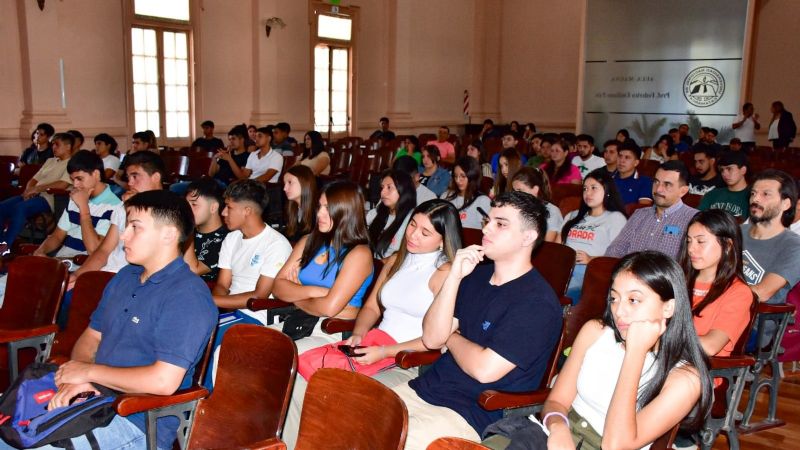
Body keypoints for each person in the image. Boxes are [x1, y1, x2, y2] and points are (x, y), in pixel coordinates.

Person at [0, 191, 218, 450]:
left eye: (135, 228)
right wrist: (78, 379)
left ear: (168, 235)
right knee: (10, 427)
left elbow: (163, 381)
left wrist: (89, 373)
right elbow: (92, 337)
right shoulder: (125, 277)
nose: (123, 236)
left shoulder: (188, 295)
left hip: (135, 419)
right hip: (92, 399)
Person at [281, 200, 463, 448]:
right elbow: (371, 307)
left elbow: (437, 338)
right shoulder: (396, 260)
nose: (413, 235)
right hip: (373, 344)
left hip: (407, 358)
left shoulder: (446, 274)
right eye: (412, 225)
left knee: (338, 394)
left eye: (425, 232)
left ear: (443, 240)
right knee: (299, 380)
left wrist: (384, 352)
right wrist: (358, 334)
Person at [393, 191, 562, 450]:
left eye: (501, 224)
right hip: (423, 389)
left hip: (470, 413)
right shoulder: (475, 277)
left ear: (528, 237)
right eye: (488, 221)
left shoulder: (537, 303)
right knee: (352, 420)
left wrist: (452, 337)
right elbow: (431, 338)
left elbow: (484, 370)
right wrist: (454, 278)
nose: (487, 229)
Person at [534, 251, 712, 450]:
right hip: (561, 433)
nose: (619, 311)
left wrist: (635, 353)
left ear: (668, 308)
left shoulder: (685, 379)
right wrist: (558, 428)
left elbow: (616, 445)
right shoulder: (596, 332)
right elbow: (557, 401)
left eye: (633, 300)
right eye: (614, 298)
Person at [270, 182, 373, 353]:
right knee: (236, 346)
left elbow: (329, 308)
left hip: (330, 330)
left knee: (272, 354)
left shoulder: (359, 254)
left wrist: (296, 294)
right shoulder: (308, 241)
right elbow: (278, 287)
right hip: (297, 321)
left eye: (328, 208)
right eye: (319, 207)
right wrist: (316, 292)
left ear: (346, 212)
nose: (320, 214)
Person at [211, 179, 292, 326]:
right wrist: (213, 308)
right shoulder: (232, 238)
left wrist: (210, 300)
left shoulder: (276, 244)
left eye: (229, 207)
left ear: (247, 211)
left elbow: (259, 296)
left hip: (257, 317)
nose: (223, 213)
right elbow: (222, 284)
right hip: (230, 311)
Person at [680, 210, 753, 357]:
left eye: (700, 241)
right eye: (689, 241)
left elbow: (710, 346)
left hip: (700, 371)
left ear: (727, 245)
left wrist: (659, 338)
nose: (691, 249)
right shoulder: (678, 279)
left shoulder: (739, 293)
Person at [33, 150, 123, 259]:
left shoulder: (114, 207)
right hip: (63, 261)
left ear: (96, 174)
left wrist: (84, 208)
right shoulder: (76, 197)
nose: (75, 184)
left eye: (79, 179)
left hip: (84, 266)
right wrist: (40, 251)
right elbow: (57, 236)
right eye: (72, 179)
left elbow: (94, 249)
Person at [560, 169, 628, 303]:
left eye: (593, 188)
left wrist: (591, 259)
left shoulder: (615, 218)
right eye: (585, 189)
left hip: (590, 270)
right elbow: (558, 246)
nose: (588, 193)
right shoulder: (573, 215)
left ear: (607, 191)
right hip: (563, 267)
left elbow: (619, 255)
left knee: (567, 290)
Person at [606, 161, 698, 259]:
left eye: (667, 184)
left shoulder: (693, 219)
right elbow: (616, 249)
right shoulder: (639, 214)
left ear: (683, 191)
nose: (658, 189)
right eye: (656, 182)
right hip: (628, 271)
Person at [0, 132, 74, 253]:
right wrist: (28, 190)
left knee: (20, 208)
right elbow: (34, 179)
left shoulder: (72, 163)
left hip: (50, 197)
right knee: (2, 207)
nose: (53, 147)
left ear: (68, 146)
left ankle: (6, 246)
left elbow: (62, 184)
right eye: (53, 145)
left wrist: (37, 189)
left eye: (57, 144)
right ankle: (1, 241)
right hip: (34, 194)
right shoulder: (50, 161)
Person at [741, 169, 800, 304]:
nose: (755, 199)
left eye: (766, 194)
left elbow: (762, 292)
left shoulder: (794, 246)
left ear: (786, 204)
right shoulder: (736, 232)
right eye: (753, 193)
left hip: (755, 320)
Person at [183, 178, 229, 282]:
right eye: (186, 204)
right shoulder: (188, 231)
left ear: (213, 207)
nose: (187, 210)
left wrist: (188, 230)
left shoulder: (225, 239)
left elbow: (192, 270)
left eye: (194, 204)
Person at [368, 170, 416, 259]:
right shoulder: (377, 212)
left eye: (389, 187)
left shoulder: (412, 220)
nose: (383, 192)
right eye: (382, 188)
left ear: (403, 189)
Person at [510, 167, 562, 242]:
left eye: (520, 190)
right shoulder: (516, 208)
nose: (517, 195)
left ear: (535, 189)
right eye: (515, 191)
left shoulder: (552, 211)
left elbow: (547, 243)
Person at [441, 157, 492, 230]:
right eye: (455, 176)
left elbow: (486, 231)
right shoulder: (446, 196)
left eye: (463, 176)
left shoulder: (483, 201)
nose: (458, 180)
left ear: (472, 176)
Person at [699, 151, 750, 219]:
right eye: (722, 170)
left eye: (729, 169)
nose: (724, 174)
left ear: (743, 170)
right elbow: (698, 219)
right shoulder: (712, 194)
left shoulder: (753, 197)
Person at [283, 165, 318, 243]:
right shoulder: (292, 209)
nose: (284, 188)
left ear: (304, 182)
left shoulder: (318, 211)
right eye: (284, 183)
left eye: (290, 182)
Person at [612, 141, 653, 206]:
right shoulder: (608, 178)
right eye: (620, 156)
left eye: (627, 157)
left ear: (636, 163)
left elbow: (643, 209)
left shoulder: (645, 182)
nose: (621, 161)